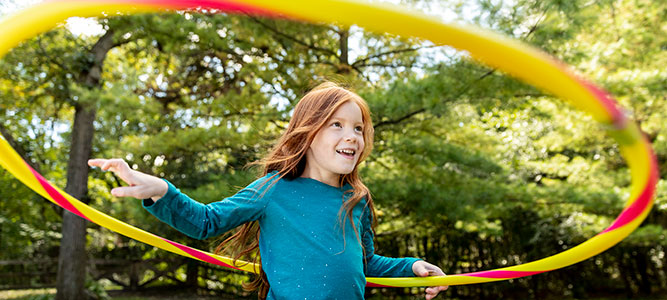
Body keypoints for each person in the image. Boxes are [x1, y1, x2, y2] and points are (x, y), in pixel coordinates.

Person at [88, 82, 448, 299]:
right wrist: (162, 191)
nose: (351, 136)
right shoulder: (273, 191)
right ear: (307, 133)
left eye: (359, 128)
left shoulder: (357, 200)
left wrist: (413, 265)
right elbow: (206, 221)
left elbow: (366, 263)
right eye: (337, 125)